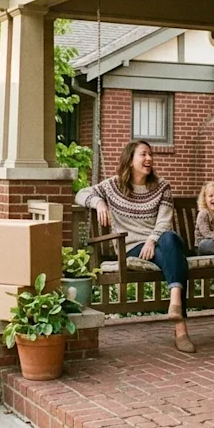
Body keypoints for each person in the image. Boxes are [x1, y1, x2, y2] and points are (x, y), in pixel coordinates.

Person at [76, 140, 195, 353]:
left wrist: (151, 240)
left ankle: (174, 300)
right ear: (130, 160)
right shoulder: (112, 186)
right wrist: (99, 203)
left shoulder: (162, 186)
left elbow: (164, 222)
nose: (149, 158)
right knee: (175, 255)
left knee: (169, 239)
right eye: (143, 154)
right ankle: (180, 328)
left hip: (158, 243)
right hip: (131, 247)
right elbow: (81, 194)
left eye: (150, 154)